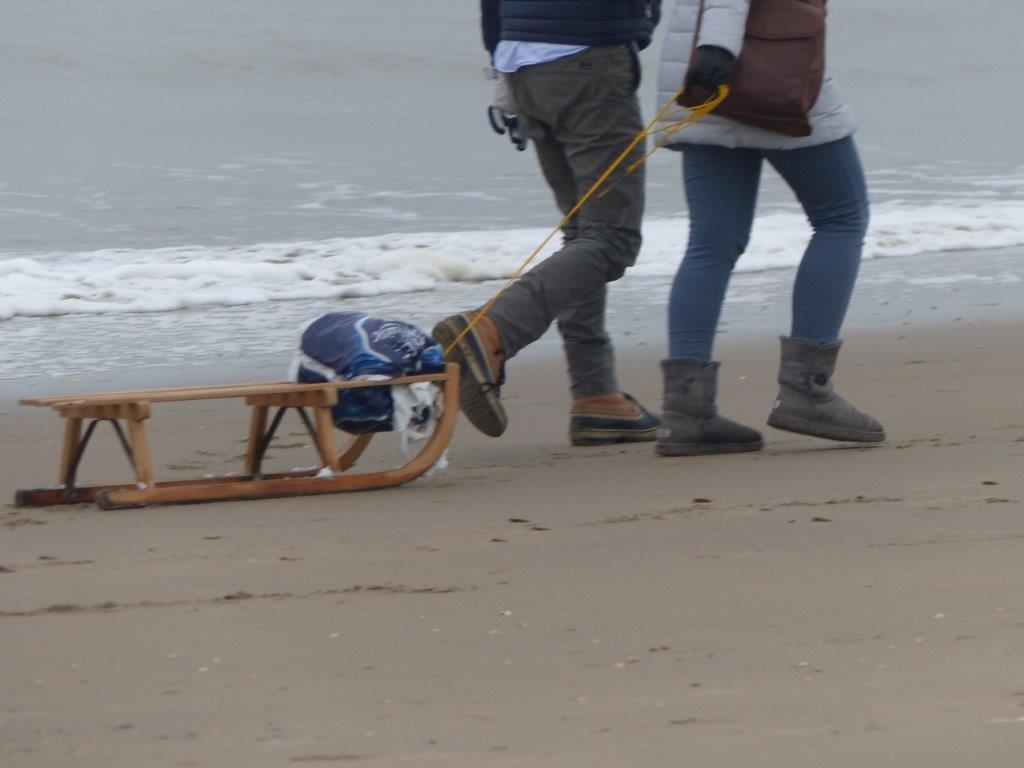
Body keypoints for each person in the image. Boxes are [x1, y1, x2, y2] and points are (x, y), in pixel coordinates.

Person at [654, 0, 885, 456]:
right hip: (762, 68)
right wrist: (719, 45)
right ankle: (808, 391)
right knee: (841, 218)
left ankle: (686, 411)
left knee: (711, 243)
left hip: (705, 79)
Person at [432, 0, 663, 447]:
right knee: (611, 238)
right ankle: (491, 329)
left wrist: (501, 59)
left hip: (521, 60)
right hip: (586, 55)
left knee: (583, 234)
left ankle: (596, 393)